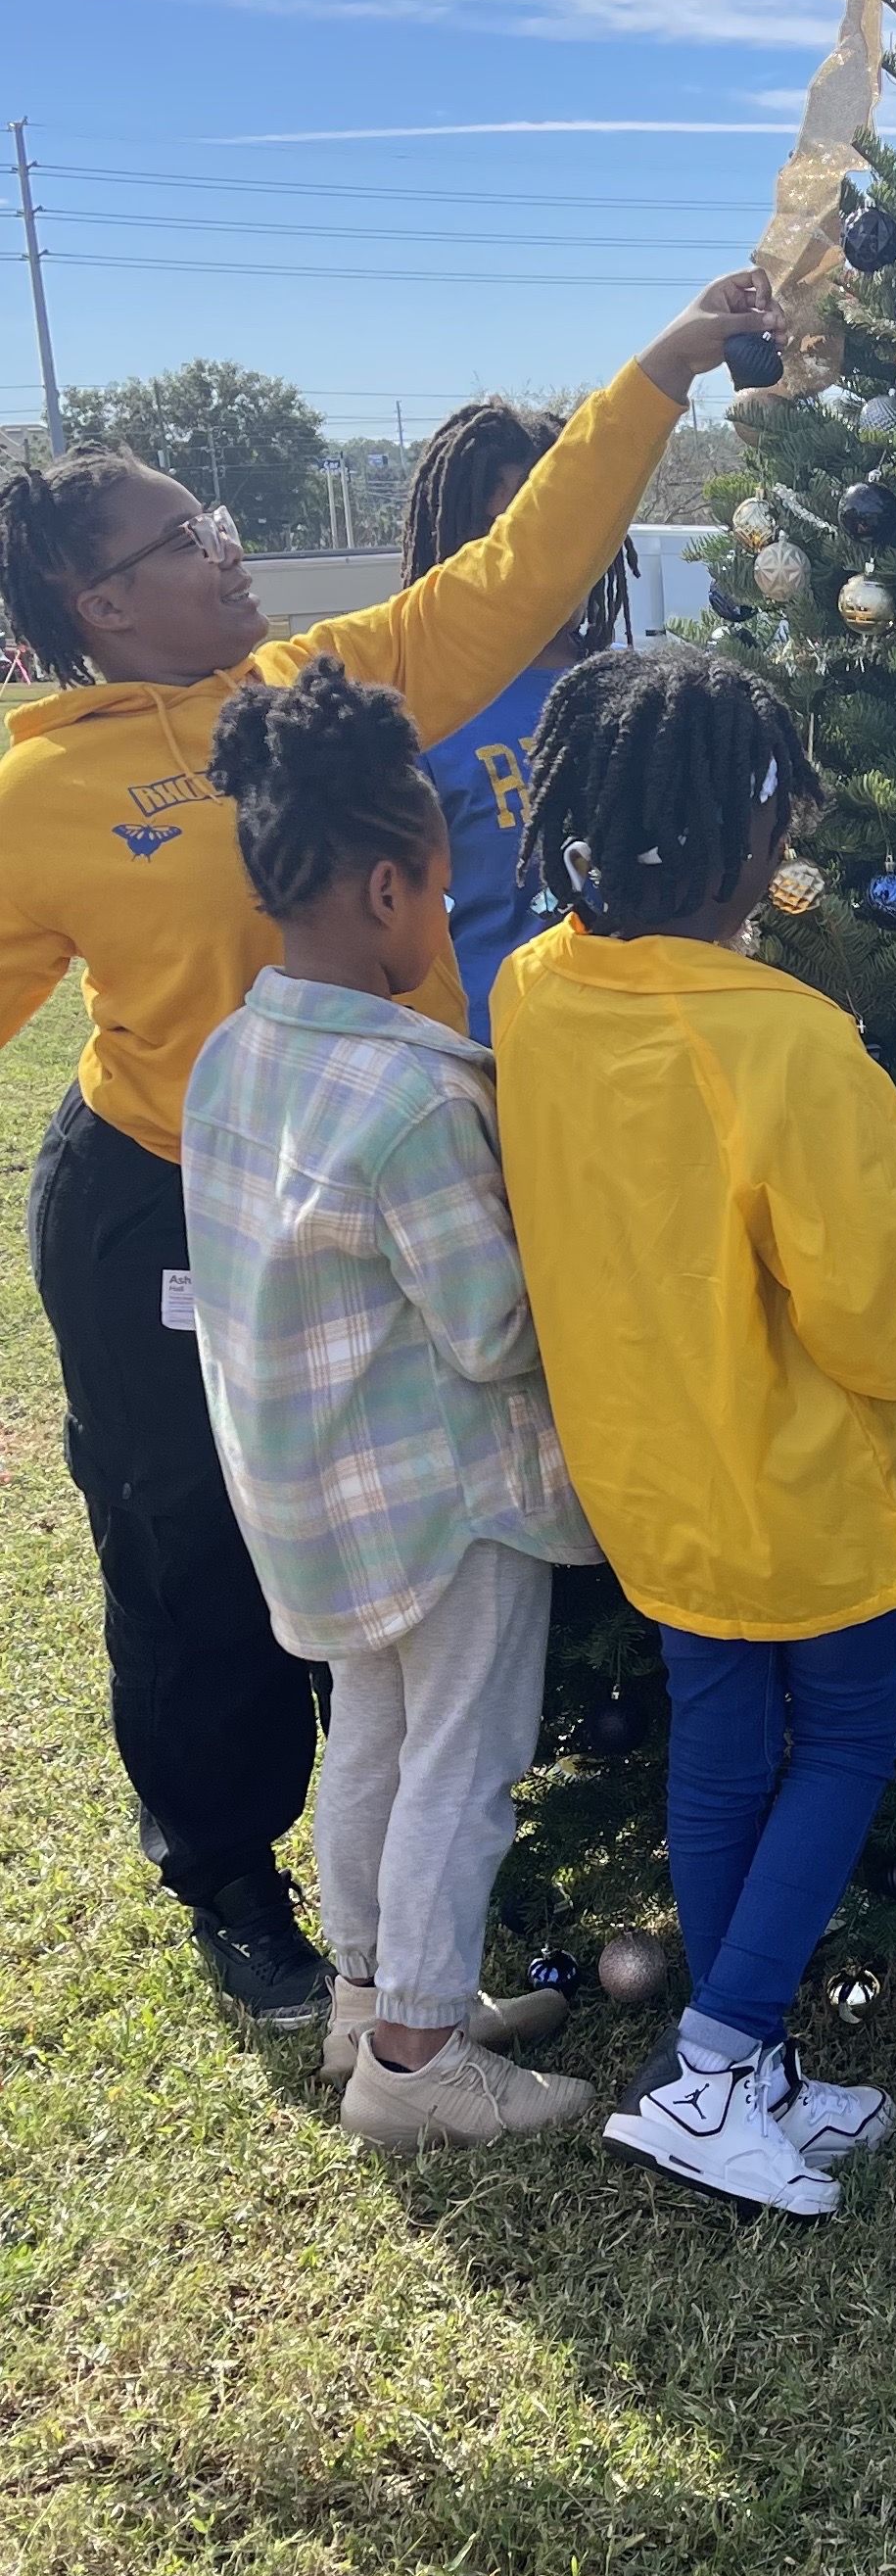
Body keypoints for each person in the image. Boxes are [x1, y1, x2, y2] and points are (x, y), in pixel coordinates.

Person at [0, 268, 768, 2030]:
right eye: (185, 538)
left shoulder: (319, 683)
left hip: (382, 1165)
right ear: (96, 604)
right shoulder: (37, 798)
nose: (226, 547)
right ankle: (227, 1877)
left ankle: (394, 1926)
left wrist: (662, 366)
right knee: (193, 1548)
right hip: (167, 1201)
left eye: (215, 518)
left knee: (395, 1540)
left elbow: (514, 569)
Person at [492, 642, 896, 2221]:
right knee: (841, 1734)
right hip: (795, 1478)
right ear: (752, 833)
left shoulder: (534, 986)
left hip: (649, 1463)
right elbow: (887, 1321)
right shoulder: (785, 1040)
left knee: (719, 1738)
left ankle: (748, 2064)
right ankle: (708, 2066)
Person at [181, 661, 597, 2151]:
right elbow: (490, 1327)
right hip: (443, 1497)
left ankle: (369, 2001)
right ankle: (417, 2062)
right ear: (382, 890)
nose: (449, 906)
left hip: (311, 1496)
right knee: (462, 1760)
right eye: (439, 881)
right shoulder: (416, 1095)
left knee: (370, 1732)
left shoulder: (232, 1053)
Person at [401, 400, 633, 1042]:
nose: (539, 554)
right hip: (493, 1055)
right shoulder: (412, 712)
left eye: (561, 522)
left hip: (642, 1038)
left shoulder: (635, 693)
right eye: (507, 532)